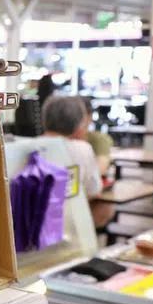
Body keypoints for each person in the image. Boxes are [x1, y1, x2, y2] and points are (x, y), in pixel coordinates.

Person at [42, 95, 113, 227]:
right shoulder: (83, 149)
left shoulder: (25, 147)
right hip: (69, 227)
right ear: (80, 123)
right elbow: (94, 190)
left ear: (44, 119)